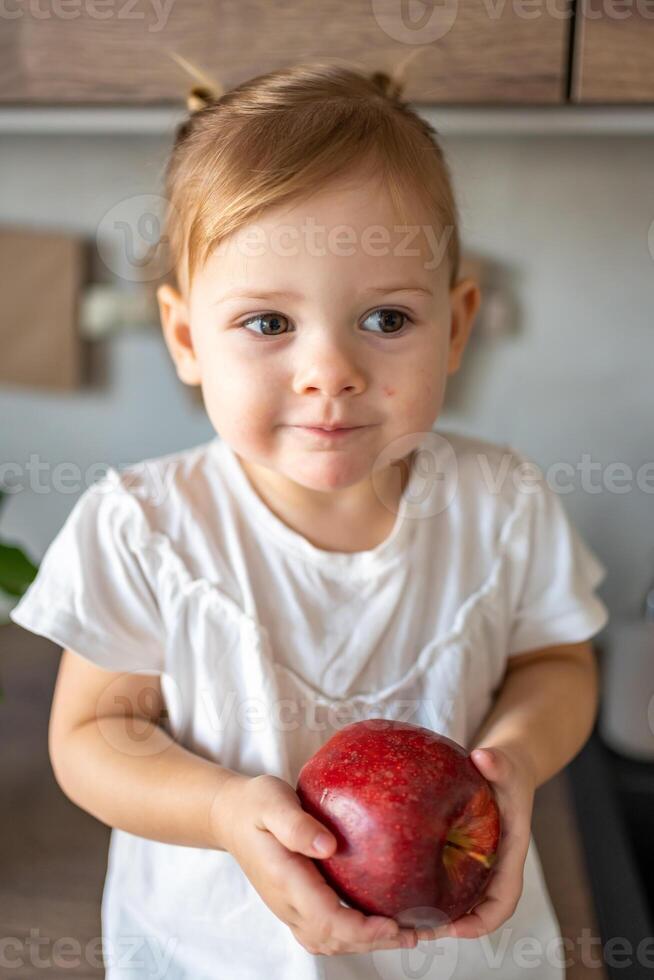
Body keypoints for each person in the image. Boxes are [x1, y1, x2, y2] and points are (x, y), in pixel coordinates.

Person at [10, 59, 609, 979]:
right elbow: (94, 737)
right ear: (185, 339)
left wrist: (517, 761)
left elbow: (557, 664)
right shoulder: (143, 526)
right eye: (266, 324)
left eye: (384, 318)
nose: (330, 370)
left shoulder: (503, 503)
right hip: (218, 954)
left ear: (456, 326)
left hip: (458, 953)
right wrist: (218, 810)